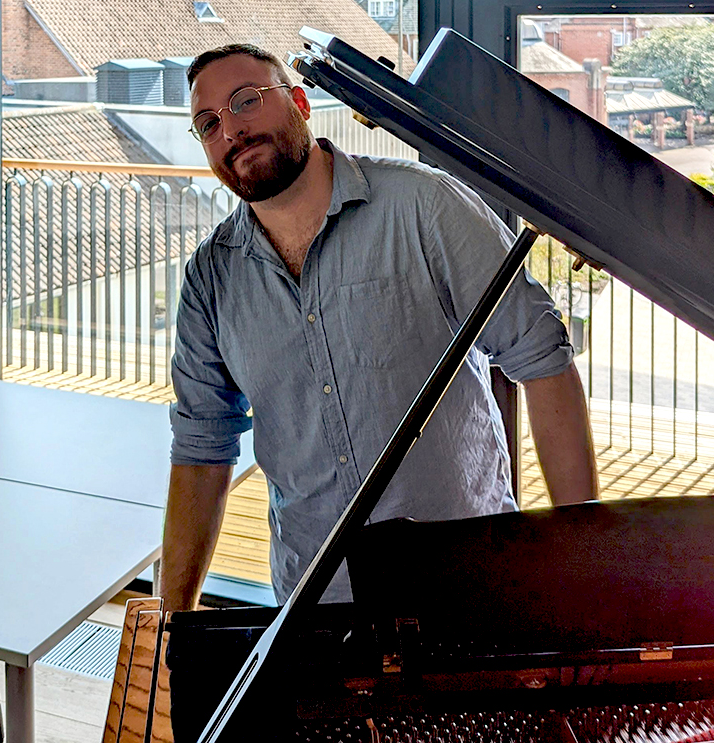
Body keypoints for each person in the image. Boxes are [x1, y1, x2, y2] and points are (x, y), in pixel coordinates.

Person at [160, 43, 599, 612]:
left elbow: (542, 359)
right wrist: (172, 625)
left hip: (470, 582)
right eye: (209, 122)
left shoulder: (425, 206)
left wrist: (587, 566)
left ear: (299, 102)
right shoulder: (210, 277)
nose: (232, 130)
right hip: (314, 604)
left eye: (247, 101)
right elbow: (201, 447)